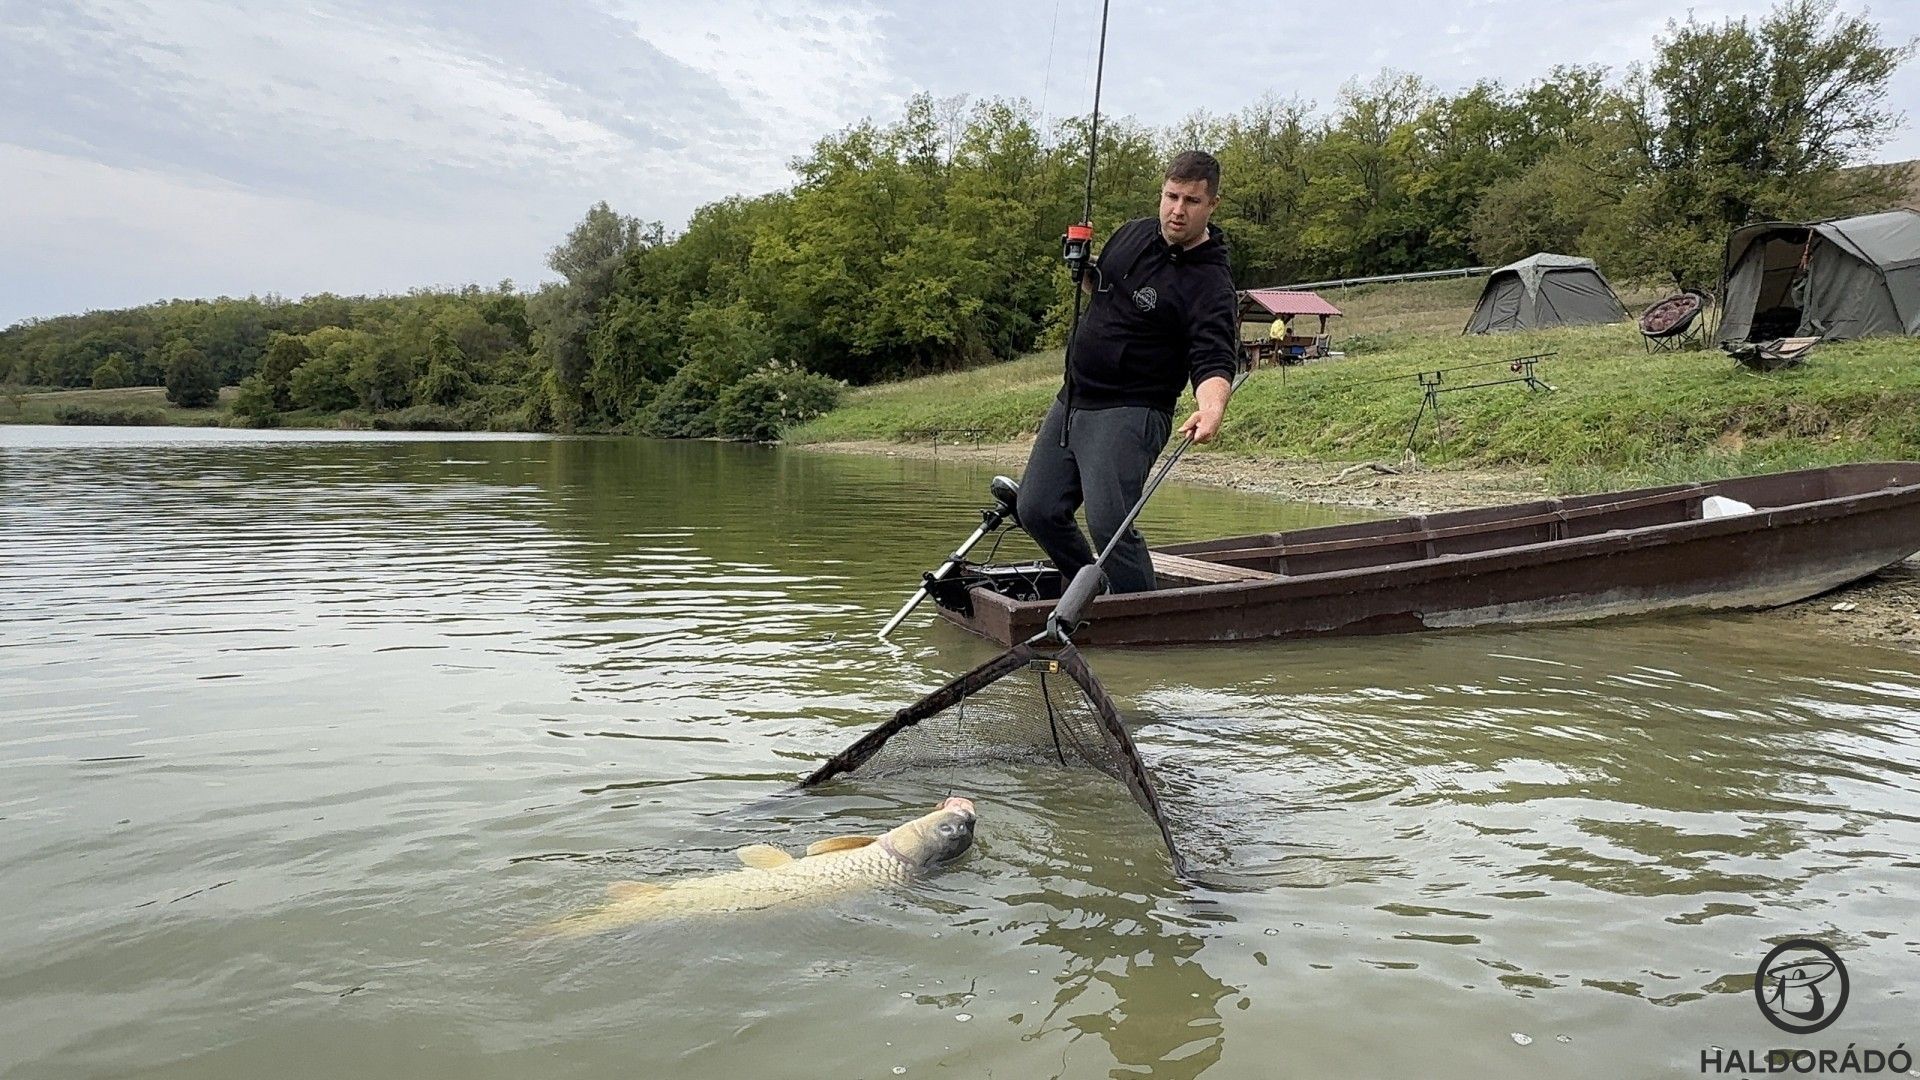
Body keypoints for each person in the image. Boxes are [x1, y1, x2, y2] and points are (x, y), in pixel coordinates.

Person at [1017, 150, 1238, 595]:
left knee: (1109, 524)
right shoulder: (1132, 234)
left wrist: (1211, 409)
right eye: (1171, 196)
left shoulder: (1212, 283)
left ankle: (1142, 614)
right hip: (1073, 398)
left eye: (1191, 201)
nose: (1177, 210)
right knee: (1036, 509)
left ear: (1212, 204)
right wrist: (1082, 269)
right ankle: (1092, 592)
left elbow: (1214, 356)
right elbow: (1105, 289)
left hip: (1132, 409)